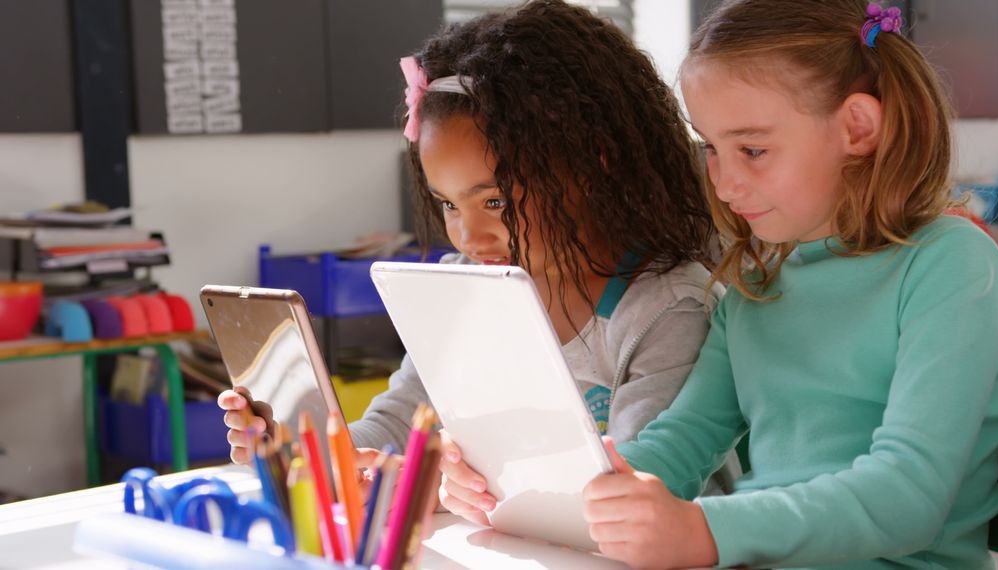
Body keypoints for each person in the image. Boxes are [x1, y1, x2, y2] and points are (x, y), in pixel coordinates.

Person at [219, 0, 723, 520]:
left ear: (592, 166)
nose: (468, 235)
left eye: (495, 202)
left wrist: (434, 482)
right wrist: (312, 454)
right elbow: (396, 425)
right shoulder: (462, 292)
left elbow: (639, 490)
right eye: (448, 204)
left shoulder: (663, 309)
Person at [577, 1, 998, 568]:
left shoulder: (950, 261)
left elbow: (908, 496)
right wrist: (550, 494)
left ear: (856, 128)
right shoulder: (757, 284)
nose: (725, 182)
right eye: (712, 147)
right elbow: (680, 442)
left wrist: (704, 530)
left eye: (753, 150)